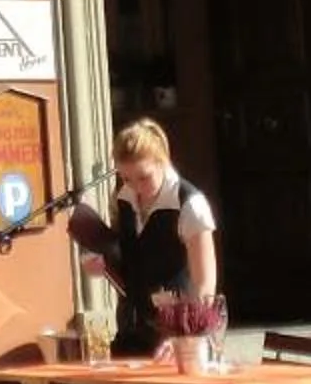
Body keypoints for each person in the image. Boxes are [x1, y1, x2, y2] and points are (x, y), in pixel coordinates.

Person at [69, 118, 219, 360]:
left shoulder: (190, 204)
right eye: (126, 178)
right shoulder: (124, 198)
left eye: (144, 177)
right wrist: (98, 264)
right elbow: (129, 258)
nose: (136, 187)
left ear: (162, 162)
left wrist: (183, 336)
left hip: (179, 338)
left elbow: (205, 284)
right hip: (131, 330)